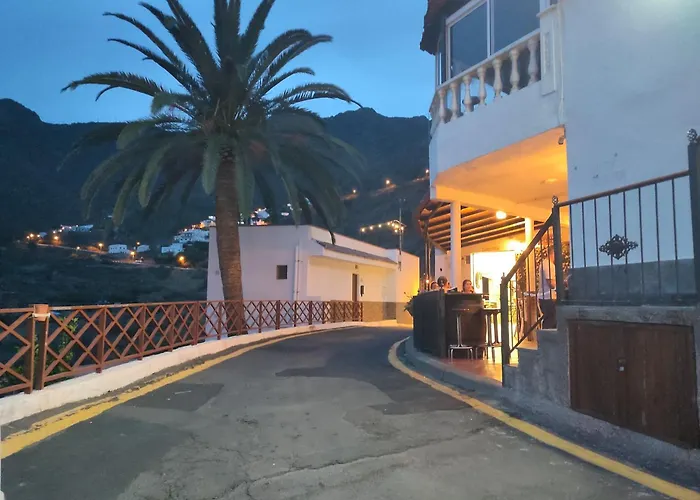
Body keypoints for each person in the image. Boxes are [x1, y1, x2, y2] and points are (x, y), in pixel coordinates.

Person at [538, 245, 557, 329]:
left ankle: (546, 336)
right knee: (551, 322)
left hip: (545, 297)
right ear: (553, 253)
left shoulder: (544, 263)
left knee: (549, 320)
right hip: (548, 298)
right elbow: (551, 283)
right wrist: (561, 286)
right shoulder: (549, 265)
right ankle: (547, 337)